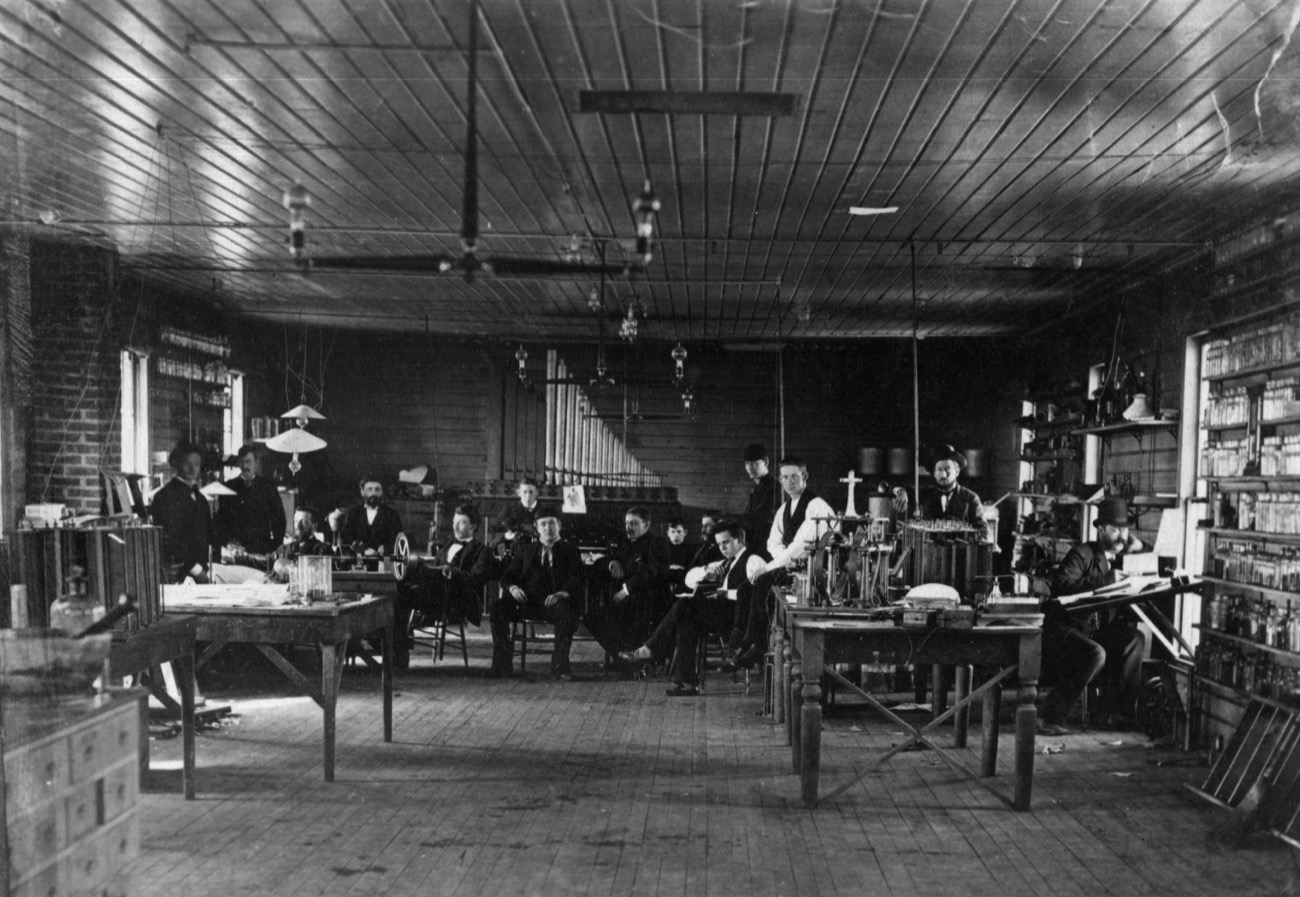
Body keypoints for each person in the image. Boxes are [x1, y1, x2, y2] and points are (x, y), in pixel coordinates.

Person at [618, 518, 766, 696]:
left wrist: (725, 594)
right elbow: (689, 578)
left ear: (740, 539)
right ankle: (686, 683)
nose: (722, 548)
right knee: (686, 620)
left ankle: (649, 649)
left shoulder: (753, 560)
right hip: (724, 613)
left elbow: (756, 595)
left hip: (737, 622)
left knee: (685, 604)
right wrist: (707, 573)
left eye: (726, 542)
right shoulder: (729, 562)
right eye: (719, 544)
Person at [1039, 497, 1147, 736]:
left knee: (1135, 639)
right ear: (1100, 530)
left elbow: (1142, 550)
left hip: (1095, 630)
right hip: (1064, 630)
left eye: (1125, 529)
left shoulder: (1121, 556)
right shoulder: (1082, 553)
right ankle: (1050, 716)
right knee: (1095, 653)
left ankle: (1119, 713)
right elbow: (1063, 585)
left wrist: (1137, 547)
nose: (1122, 535)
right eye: (1116, 530)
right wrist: (1104, 581)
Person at [732, 457, 836, 667]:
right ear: (780, 479)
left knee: (762, 583)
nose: (789, 482)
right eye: (785, 477)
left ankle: (757, 646)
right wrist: (782, 559)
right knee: (745, 588)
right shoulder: (785, 508)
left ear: (804, 477)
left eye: (794, 477)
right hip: (787, 565)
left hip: (810, 570)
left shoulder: (816, 506)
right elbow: (773, 542)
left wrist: (772, 565)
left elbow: (799, 546)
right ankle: (742, 643)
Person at [490, 508, 581, 679]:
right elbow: (507, 576)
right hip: (526, 603)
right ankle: (502, 665)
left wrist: (561, 594)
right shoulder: (526, 550)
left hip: (555, 605)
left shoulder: (570, 550)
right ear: (537, 528)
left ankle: (560, 667)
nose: (547, 528)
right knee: (497, 607)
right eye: (543, 524)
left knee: (567, 611)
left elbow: (576, 580)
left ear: (559, 525)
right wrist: (513, 588)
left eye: (552, 523)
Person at [585, 506, 673, 659]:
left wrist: (626, 590)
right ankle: (621, 656)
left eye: (633, 523)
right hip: (628, 599)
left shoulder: (658, 543)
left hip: (650, 600)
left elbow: (652, 572)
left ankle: (631, 657)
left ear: (646, 524)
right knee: (591, 617)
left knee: (622, 612)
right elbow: (603, 561)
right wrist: (612, 562)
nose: (628, 527)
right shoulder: (625, 544)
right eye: (627, 523)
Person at [150, 441, 218, 584]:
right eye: (188, 463)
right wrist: (196, 570)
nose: (193, 468)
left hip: (204, 572)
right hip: (177, 573)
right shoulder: (164, 497)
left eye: (197, 463)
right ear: (178, 463)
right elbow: (171, 540)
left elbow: (210, 535)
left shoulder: (201, 499)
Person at [892, 444, 988, 540]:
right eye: (939, 469)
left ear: (957, 471)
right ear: (934, 473)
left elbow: (982, 532)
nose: (943, 474)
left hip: (959, 553)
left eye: (947, 469)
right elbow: (895, 485)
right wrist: (901, 492)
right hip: (928, 553)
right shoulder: (924, 494)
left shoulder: (971, 498)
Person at [214, 443, 286, 558]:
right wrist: (227, 543)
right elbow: (220, 522)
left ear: (255, 463)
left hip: (261, 549)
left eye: (248, 461)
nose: (245, 465)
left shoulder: (268, 487)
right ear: (238, 464)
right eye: (242, 462)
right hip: (236, 551)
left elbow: (279, 520)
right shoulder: (228, 487)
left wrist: (274, 547)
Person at [339, 475, 404, 555]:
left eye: (377, 489)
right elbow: (346, 539)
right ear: (362, 492)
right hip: (358, 562)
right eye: (369, 489)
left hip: (384, 562)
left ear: (382, 492)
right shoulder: (353, 513)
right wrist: (362, 550)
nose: (373, 493)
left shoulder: (392, 514)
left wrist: (386, 548)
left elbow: (398, 540)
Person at [741, 443, 779, 548]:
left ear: (765, 462)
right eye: (747, 463)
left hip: (767, 545)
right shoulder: (759, 488)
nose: (749, 467)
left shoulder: (773, 487)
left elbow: (757, 520)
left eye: (753, 463)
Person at [497, 477, 541, 556]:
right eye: (524, 492)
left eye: (531, 492)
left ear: (537, 492)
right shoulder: (509, 509)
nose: (528, 496)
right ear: (518, 492)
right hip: (514, 553)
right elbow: (496, 531)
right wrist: (507, 536)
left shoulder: (544, 510)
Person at [665, 517, 695, 592]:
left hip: (683, 584)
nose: (676, 535)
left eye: (679, 531)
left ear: (685, 532)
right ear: (668, 533)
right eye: (672, 532)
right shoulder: (662, 549)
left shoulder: (691, 550)